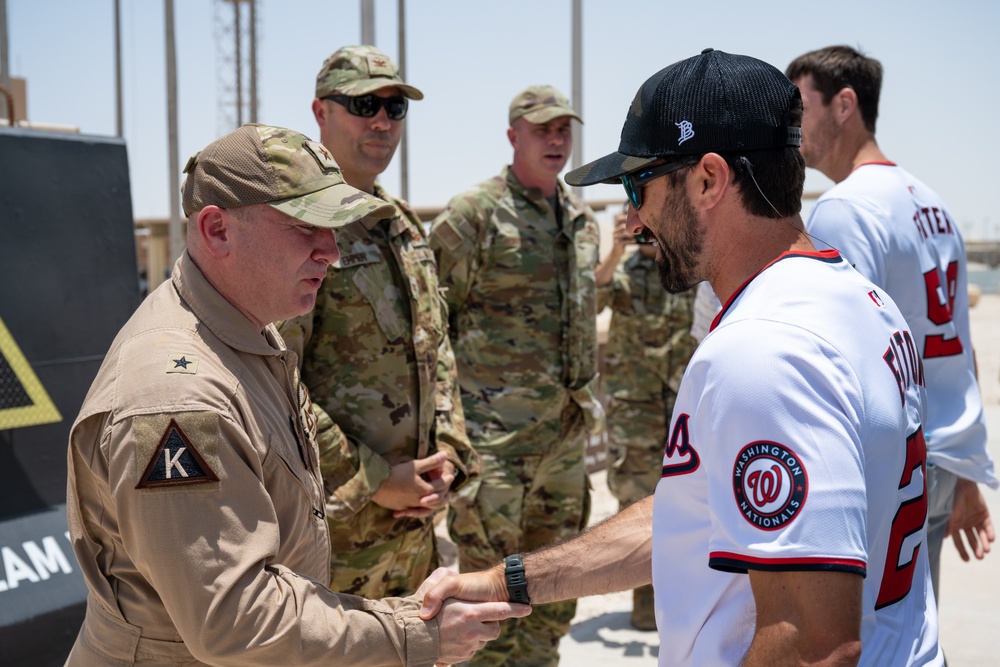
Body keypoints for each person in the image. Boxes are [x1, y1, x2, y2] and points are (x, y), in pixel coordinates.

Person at [420, 49, 944, 666]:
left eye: (641, 185)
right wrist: (509, 580)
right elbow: (690, 517)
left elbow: (813, 647)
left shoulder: (765, 351)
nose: (637, 217)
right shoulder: (859, 298)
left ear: (707, 179)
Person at [64, 124, 528, 667]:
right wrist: (414, 634)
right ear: (217, 231)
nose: (331, 251)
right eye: (306, 226)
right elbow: (236, 620)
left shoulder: (249, 333)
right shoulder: (177, 398)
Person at [786, 45, 998, 599]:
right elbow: (957, 350)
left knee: (872, 642)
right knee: (914, 629)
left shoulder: (845, 209)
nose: (792, 125)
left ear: (843, 104)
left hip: (894, 464)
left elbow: (841, 357)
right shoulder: (932, 202)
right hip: (942, 455)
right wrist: (968, 475)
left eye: (800, 107)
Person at [277, 45, 478, 600]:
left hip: (413, 531)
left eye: (395, 107)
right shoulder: (296, 227)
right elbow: (273, 379)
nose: (382, 121)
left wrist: (450, 456)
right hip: (334, 535)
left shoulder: (403, 224)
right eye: (364, 105)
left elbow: (436, 351)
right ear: (321, 113)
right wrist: (373, 480)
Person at [427, 85, 602, 666]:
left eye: (563, 129)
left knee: (555, 591)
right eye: (542, 129)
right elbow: (429, 323)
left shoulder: (580, 221)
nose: (556, 140)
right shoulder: (473, 215)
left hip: (563, 445)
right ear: (513, 137)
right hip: (494, 444)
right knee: (484, 602)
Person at [593, 204, 696, 630]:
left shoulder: (690, 269)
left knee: (690, 500)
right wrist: (614, 254)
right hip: (635, 406)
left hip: (683, 404)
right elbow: (591, 299)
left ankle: (684, 603)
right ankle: (645, 608)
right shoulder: (623, 272)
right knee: (636, 499)